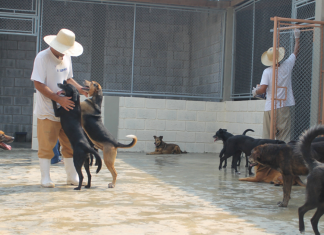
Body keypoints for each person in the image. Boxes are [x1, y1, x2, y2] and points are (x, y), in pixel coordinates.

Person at [31, 28, 88, 188]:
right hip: (48, 111)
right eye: (63, 50)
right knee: (47, 145)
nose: (64, 53)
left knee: (70, 144)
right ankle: (45, 178)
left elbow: (68, 78)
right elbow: (38, 83)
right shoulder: (42, 58)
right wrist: (58, 99)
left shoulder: (67, 57)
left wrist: (80, 89)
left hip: (67, 112)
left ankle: (71, 176)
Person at [252, 28, 300, 143]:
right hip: (283, 105)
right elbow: (295, 52)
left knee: (268, 136)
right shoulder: (287, 65)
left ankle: (267, 158)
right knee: (284, 136)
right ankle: (282, 158)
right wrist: (297, 38)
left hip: (270, 106)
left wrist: (256, 91)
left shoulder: (267, 71)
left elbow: (263, 89)